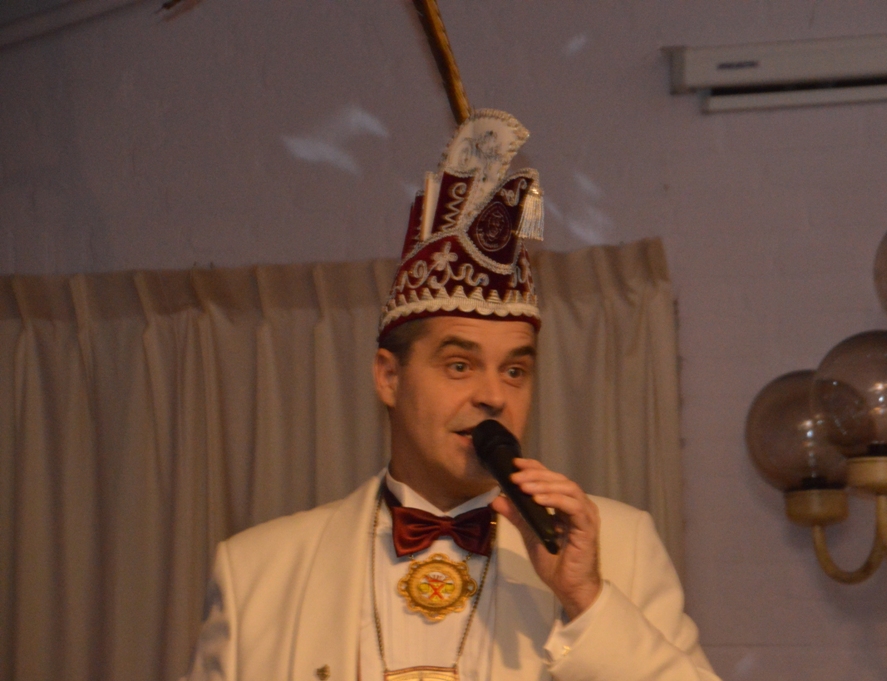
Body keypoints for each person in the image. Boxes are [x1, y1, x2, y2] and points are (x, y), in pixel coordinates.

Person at [182, 110, 719, 681]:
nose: (493, 395)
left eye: (515, 371)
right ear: (388, 377)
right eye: (460, 365)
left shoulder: (621, 546)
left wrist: (586, 600)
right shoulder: (257, 572)